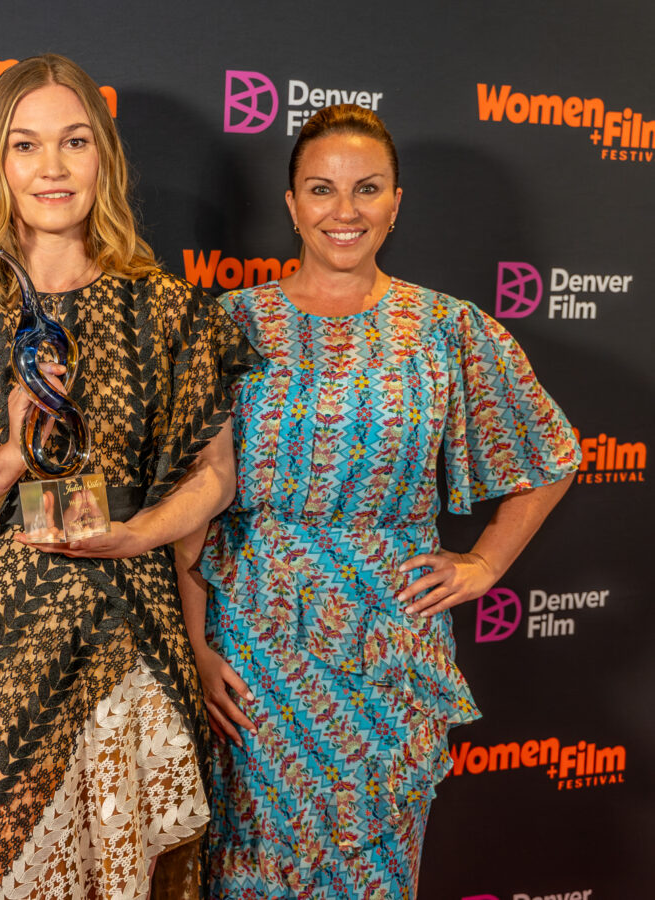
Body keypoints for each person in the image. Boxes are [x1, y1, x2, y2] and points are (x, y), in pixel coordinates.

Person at [0, 55, 256, 899]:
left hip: (138, 626)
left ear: (104, 159)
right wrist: (14, 452)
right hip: (9, 641)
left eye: (73, 142)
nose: (52, 168)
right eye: (26, 146)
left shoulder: (170, 309)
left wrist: (138, 534)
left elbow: (216, 475)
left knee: (134, 866)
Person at [181, 104, 581, 899]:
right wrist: (198, 645)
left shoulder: (446, 329)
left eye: (367, 189)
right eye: (321, 189)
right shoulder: (229, 324)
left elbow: (552, 455)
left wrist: (486, 563)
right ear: (291, 204)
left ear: (396, 203)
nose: (345, 210)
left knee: (374, 874)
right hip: (258, 644)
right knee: (250, 871)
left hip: (388, 649)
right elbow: (192, 503)